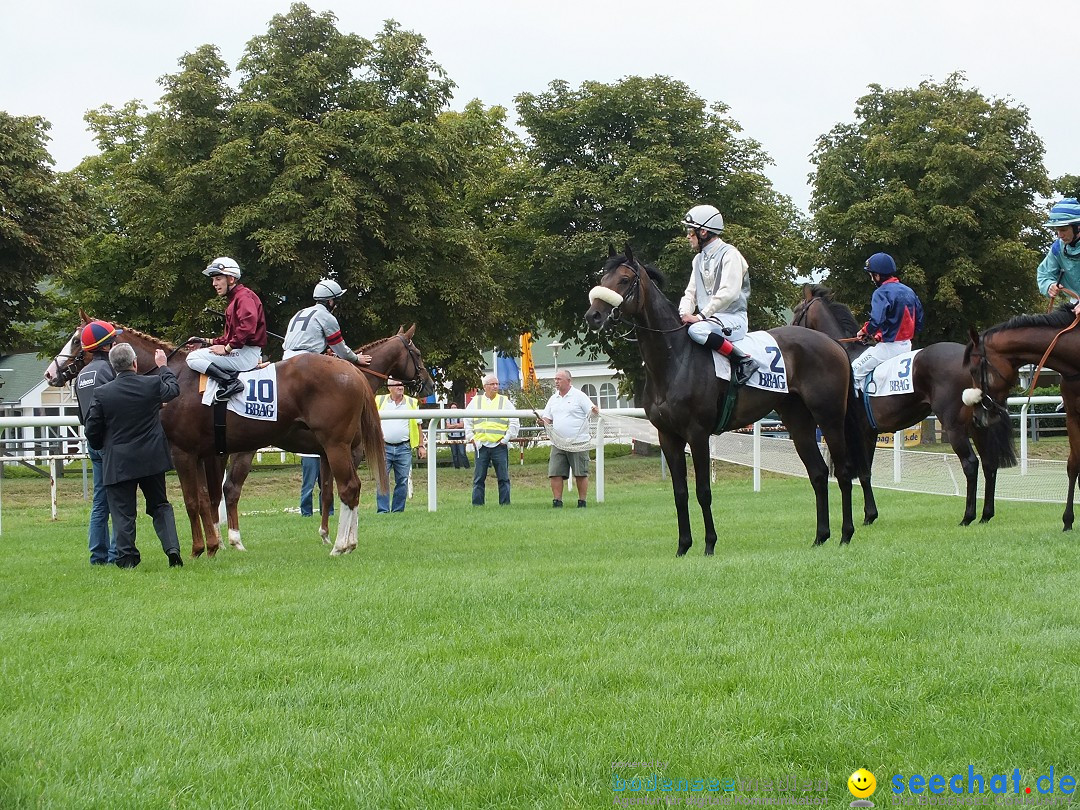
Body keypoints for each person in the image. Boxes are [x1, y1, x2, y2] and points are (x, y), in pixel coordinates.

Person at [84, 343, 184, 569]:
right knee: (160, 505)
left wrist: (103, 446)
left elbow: (92, 429)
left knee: (123, 512)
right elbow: (173, 389)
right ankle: (172, 549)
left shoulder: (102, 393)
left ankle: (127, 558)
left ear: (113, 366)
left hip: (118, 461)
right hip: (152, 458)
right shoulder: (151, 384)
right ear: (135, 363)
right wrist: (163, 367)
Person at [678, 204, 762, 385]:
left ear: (704, 232)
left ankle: (744, 360)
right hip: (711, 320)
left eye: (691, 232)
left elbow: (729, 293)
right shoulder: (698, 259)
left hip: (733, 318)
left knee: (696, 330)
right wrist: (683, 313)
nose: (688, 236)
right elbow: (690, 292)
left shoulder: (731, 255)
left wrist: (700, 316)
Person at [186, 257, 267, 402]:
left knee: (192, 358)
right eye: (213, 280)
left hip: (245, 354)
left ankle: (230, 383)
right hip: (240, 351)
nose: (214, 284)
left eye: (218, 279)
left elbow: (247, 327)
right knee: (199, 353)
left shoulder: (244, 297)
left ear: (231, 279)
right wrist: (203, 341)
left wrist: (227, 349)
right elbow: (229, 337)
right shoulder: (236, 299)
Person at [74, 319, 120, 565]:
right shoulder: (109, 371)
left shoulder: (82, 374)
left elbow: (81, 414)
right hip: (111, 442)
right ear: (107, 345)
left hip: (92, 441)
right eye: (114, 339)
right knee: (118, 500)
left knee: (100, 500)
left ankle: (97, 556)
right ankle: (115, 555)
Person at [851, 252, 924, 393]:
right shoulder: (909, 291)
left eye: (872, 275)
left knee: (853, 372)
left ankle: (857, 410)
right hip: (907, 346)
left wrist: (864, 331)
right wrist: (880, 335)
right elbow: (919, 321)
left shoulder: (881, 293)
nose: (872, 278)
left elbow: (876, 320)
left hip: (888, 349)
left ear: (877, 276)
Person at [540, 369, 598, 508]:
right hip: (558, 442)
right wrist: (543, 422)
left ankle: (582, 501)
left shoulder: (579, 396)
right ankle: (557, 501)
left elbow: (593, 412)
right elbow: (547, 418)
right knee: (555, 472)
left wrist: (595, 410)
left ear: (568, 381)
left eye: (559, 379)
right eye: (555, 379)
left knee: (580, 473)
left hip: (578, 442)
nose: (556, 382)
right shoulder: (553, 398)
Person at [282, 278, 372, 366]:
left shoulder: (301, 312)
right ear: (330, 301)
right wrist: (355, 358)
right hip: (306, 361)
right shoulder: (327, 317)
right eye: (336, 302)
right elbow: (339, 347)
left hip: (285, 359)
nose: (336, 306)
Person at [463, 375, 519, 505]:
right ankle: (477, 505)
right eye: (492, 384)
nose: (495, 386)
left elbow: (515, 421)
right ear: (485, 387)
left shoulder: (504, 401)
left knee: (503, 478)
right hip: (481, 445)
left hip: (499, 446)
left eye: (497, 384)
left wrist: (506, 438)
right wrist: (471, 437)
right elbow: (467, 420)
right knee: (478, 479)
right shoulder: (476, 401)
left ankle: (505, 504)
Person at [374, 377, 426, 512]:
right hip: (384, 447)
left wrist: (421, 445)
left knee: (402, 480)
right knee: (382, 480)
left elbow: (418, 425)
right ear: (389, 388)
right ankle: (383, 511)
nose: (401, 387)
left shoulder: (412, 402)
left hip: (404, 448)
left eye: (402, 385)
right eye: (397, 385)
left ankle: (398, 510)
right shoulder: (379, 400)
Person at [1037, 198, 1080, 314]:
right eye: (1057, 230)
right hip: (1075, 305)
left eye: (1063, 230)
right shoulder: (1057, 248)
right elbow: (1044, 274)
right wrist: (1049, 285)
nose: (1060, 235)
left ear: (1078, 227)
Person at [298, 454, 333, 518]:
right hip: (309, 455)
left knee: (326, 485)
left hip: (325, 454)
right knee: (308, 486)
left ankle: (328, 512)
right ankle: (306, 513)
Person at [442, 403, 470, 469]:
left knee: (462, 452)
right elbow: (448, 426)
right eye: (452, 407)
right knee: (454, 454)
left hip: (461, 436)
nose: (453, 409)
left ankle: (467, 467)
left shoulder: (460, 416)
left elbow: (462, 425)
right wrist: (457, 425)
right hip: (451, 437)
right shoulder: (448, 417)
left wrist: (453, 426)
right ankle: (457, 468)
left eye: (455, 407)